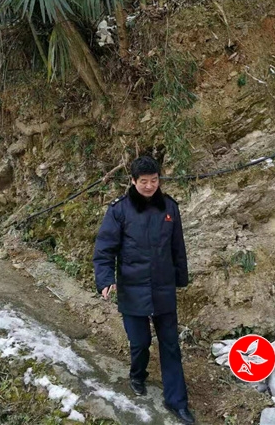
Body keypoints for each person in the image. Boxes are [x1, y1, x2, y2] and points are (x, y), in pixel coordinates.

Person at [93, 156, 196, 424]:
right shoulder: (119, 210)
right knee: (140, 342)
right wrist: (105, 279)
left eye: (154, 180)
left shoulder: (169, 208)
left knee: (170, 345)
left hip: (163, 288)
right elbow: (104, 249)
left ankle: (177, 401)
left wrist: (180, 279)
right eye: (144, 182)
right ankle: (137, 375)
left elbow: (178, 248)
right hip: (132, 288)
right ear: (133, 181)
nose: (150, 186)